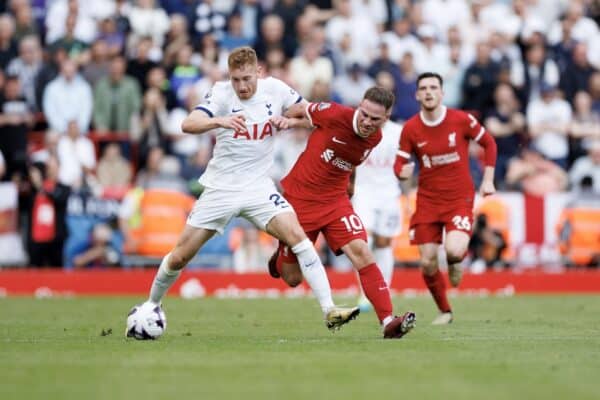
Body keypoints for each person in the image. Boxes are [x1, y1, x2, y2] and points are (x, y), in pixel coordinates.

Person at [131, 46, 358, 334]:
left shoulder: (276, 90)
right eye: (236, 79)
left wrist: (290, 120)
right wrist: (219, 120)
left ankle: (329, 310)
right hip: (221, 188)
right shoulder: (221, 93)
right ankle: (151, 305)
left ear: (259, 72)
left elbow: (311, 114)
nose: (242, 86)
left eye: (247, 78)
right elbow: (188, 123)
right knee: (180, 256)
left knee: (299, 237)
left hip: (258, 188)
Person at [267, 87, 416, 339]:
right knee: (291, 278)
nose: (368, 122)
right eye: (365, 114)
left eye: (375, 119)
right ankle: (280, 256)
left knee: (363, 253)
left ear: (386, 119)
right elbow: (302, 109)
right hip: (301, 198)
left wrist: (350, 188)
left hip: (335, 201)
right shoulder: (335, 113)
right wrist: (288, 120)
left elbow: (351, 161)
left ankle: (388, 322)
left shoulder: (375, 138)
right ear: (359, 106)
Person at [394, 72, 497, 325]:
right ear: (417, 94)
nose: (428, 92)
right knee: (428, 262)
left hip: (458, 199)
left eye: (433, 87)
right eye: (423, 88)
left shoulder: (461, 120)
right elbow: (399, 163)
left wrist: (487, 179)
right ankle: (445, 311)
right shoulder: (410, 128)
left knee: (453, 250)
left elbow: (490, 144)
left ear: (442, 93)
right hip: (428, 201)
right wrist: (401, 171)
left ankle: (454, 261)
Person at [352, 118, 403, 312]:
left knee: (384, 243)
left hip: (389, 194)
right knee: (362, 242)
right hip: (363, 193)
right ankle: (365, 292)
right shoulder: (359, 128)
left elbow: (405, 160)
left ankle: (384, 289)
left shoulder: (398, 132)